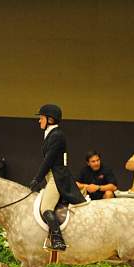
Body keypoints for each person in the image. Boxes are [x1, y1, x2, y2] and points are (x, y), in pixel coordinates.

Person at [29, 104, 86, 251]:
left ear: (50, 119)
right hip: (52, 176)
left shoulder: (57, 136)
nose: (39, 121)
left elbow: (48, 161)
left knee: (45, 208)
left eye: (41, 118)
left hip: (57, 177)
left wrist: (37, 178)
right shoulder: (51, 133)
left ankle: (58, 240)